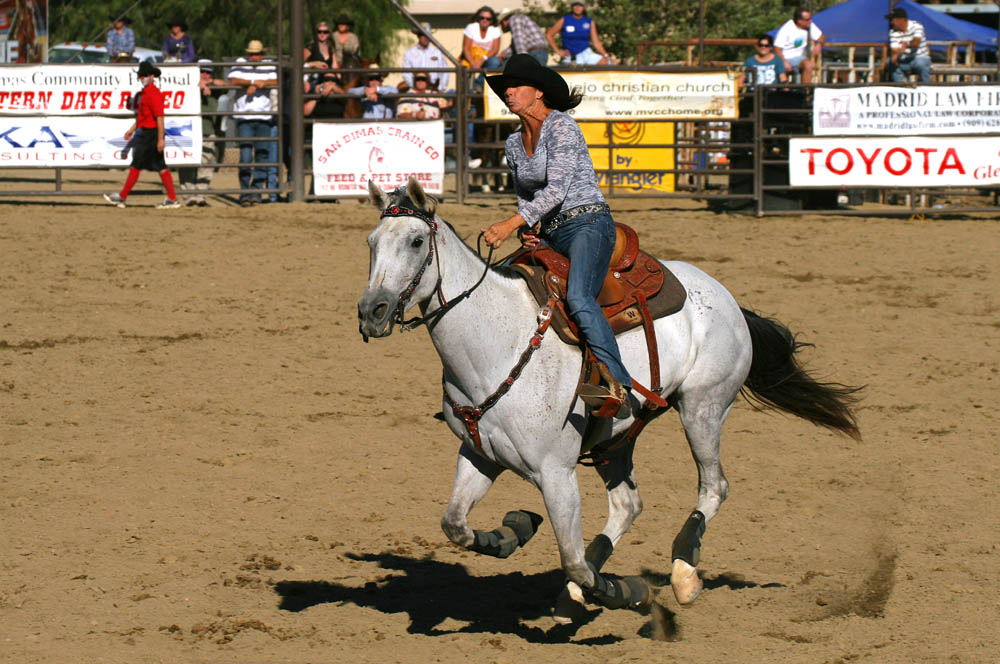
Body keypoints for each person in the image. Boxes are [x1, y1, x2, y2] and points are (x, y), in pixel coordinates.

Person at [481, 54, 632, 417]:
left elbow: (558, 190)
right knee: (504, 284)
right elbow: (526, 196)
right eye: (505, 88)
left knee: (580, 295)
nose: (509, 92)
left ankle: (616, 382)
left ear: (539, 93)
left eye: (516, 86)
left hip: (587, 223)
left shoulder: (562, 127)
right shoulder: (514, 143)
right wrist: (530, 231)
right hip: (549, 231)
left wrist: (510, 224)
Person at [103, 61, 180, 209]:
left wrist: (160, 139)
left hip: (149, 134)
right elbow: (143, 117)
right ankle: (172, 198)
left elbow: (160, 118)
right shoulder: (146, 93)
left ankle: (122, 196)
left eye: (145, 75)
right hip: (148, 133)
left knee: (137, 164)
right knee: (160, 166)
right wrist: (132, 129)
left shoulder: (153, 94)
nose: (142, 78)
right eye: (141, 76)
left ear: (152, 76)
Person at [229, 40, 279, 206]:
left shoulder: (269, 65)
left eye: (256, 54)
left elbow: (277, 81)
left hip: (263, 116)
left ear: (262, 54)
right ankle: (245, 192)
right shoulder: (240, 63)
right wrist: (251, 83)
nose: (254, 57)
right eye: (251, 54)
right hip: (245, 117)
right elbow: (233, 80)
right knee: (245, 155)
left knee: (261, 155)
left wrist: (261, 84)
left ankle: (256, 191)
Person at [179, 60, 225, 206]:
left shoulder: (214, 88)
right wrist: (197, 84)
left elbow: (226, 84)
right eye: (202, 71)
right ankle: (188, 195)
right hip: (187, 130)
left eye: (208, 72)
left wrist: (209, 83)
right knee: (187, 163)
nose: (205, 74)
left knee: (206, 162)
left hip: (207, 130)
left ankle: (201, 195)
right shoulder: (185, 84)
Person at [546, 1, 616, 66]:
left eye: (580, 5)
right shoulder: (565, 20)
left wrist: (606, 56)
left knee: (610, 63)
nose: (577, 8)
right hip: (572, 56)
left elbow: (596, 42)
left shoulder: (589, 21)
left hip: (587, 53)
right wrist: (558, 51)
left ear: (583, 7)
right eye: (575, 5)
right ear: (572, 7)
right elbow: (549, 35)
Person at [773, 7, 824, 84]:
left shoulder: (809, 26)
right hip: (786, 58)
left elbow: (822, 36)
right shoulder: (786, 29)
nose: (810, 21)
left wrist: (819, 44)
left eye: (811, 18)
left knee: (808, 64)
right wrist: (784, 62)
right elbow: (777, 49)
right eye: (807, 19)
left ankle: (806, 92)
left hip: (800, 58)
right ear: (799, 21)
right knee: (807, 64)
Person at [886, 7, 931, 83]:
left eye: (892, 20)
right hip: (904, 60)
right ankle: (901, 87)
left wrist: (906, 44)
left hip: (919, 57)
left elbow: (916, 42)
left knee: (921, 64)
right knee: (890, 63)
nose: (891, 23)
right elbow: (895, 49)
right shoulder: (892, 32)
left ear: (901, 20)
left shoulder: (917, 26)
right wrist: (894, 57)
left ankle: (926, 87)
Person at [462, 5, 502, 85]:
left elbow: (495, 50)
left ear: (491, 20)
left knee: (495, 62)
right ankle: (471, 91)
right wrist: (473, 63)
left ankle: (480, 84)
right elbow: (466, 49)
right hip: (470, 57)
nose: (484, 20)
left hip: (486, 58)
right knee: (463, 68)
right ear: (478, 18)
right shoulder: (471, 27)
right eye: (482, 18)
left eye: (488, 19)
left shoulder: (495, 30)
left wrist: (482, 60)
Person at [402, 23, 449, 91]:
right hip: (415, 89)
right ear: (418, 36)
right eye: (423, 35)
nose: (426, 37)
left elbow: (445, 72)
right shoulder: (409, 53)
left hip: (434, 89)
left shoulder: (438, 52)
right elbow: (406, 73)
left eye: (428, 35)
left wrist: (441, 89)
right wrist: (413, 87)